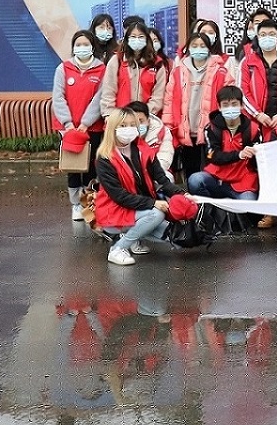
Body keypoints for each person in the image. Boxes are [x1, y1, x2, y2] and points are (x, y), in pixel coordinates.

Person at [94, 106, 189, 266]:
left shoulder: (144, 151)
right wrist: (153, 203)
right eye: (123, 125)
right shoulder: (104, 158)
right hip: (113, 211)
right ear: (113, 128)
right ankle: (118, 248)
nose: (129, 129)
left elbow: (162, 180)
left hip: (137, 208)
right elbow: (119, 196)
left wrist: (182, 194)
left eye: (133, 125)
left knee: (175, 238)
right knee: (156, 215)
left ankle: (132, 239)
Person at [162, 30, 231, 180]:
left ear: (209, 48)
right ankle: (192, 194)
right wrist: (169, 126)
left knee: (212, 170)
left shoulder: (220, 71)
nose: (198, 49)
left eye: (202, 45)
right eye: (194, 45)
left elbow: (229, 97)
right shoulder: (178, 72)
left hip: (211, 130)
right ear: (188, 48)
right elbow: (168, 100)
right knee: (190, 170)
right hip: (186, 130)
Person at [53, 29, 107, 221]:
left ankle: (88, 203)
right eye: (78, 44)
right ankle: (76, 204)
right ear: (73, 47)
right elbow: (58, 97)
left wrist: (85, 123)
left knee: (91, 166)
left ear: (92, 47)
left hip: (92, 127)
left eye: (85, 44)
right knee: (73, 166)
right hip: (67, 128)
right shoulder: (63, 68)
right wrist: (68, 124)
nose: (82, 48)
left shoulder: (101, 69)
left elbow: (100, 98)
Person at [187, 85, 260, 205]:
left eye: (234, 104)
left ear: (242, 105)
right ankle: (212, 210)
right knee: (195, 180)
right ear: (219, 107)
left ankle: (233, 211)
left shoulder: (253, 129)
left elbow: (260, 158)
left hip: (242, 181)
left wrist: (254, 152)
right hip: (216, 178)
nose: (230, 108)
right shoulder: (211, 128)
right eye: (225, 105)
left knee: (249, 202)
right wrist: (239, 154)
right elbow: (213, 156)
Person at [239, 18, 277, 139]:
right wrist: (258, 114)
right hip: (255, 122)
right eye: (263, 35)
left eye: (272, 34)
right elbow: (243, 91)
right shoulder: (247, 62)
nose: (267, 38)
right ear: (257, 38)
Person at [100, 18, 167, 121]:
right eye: (133, 37)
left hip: (146, 119)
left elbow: (158, 97)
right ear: (127, 39)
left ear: (147, 39)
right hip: (119, 119)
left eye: (141, 37)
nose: (137, 40)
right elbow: (108, 91)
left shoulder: (157, 64)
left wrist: (142, 115)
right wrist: (109, 115)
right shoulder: (117, 60)